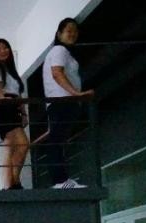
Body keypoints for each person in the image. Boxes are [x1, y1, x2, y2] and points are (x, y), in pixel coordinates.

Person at [43, 17, 94, 189]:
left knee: (58, 140)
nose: (73, 34)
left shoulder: (62, 52)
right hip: (62, 101)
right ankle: (60, 181)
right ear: (59, 34)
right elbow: (57, 73)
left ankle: (61, 180)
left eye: (75, 31)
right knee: (57, 141)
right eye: (68, 30)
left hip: (62, 102)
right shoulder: (59, 50)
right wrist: (76, 94)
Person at [0, 38, 28, 190]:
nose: (3, 51)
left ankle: (12, 182)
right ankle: (11, 183)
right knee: (17, 145)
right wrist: (2, 99)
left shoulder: (12, 71)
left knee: (16, 146)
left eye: (5, 48)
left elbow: (18, 94)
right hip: (4, 107)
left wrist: (24, 113)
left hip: (13, 106)